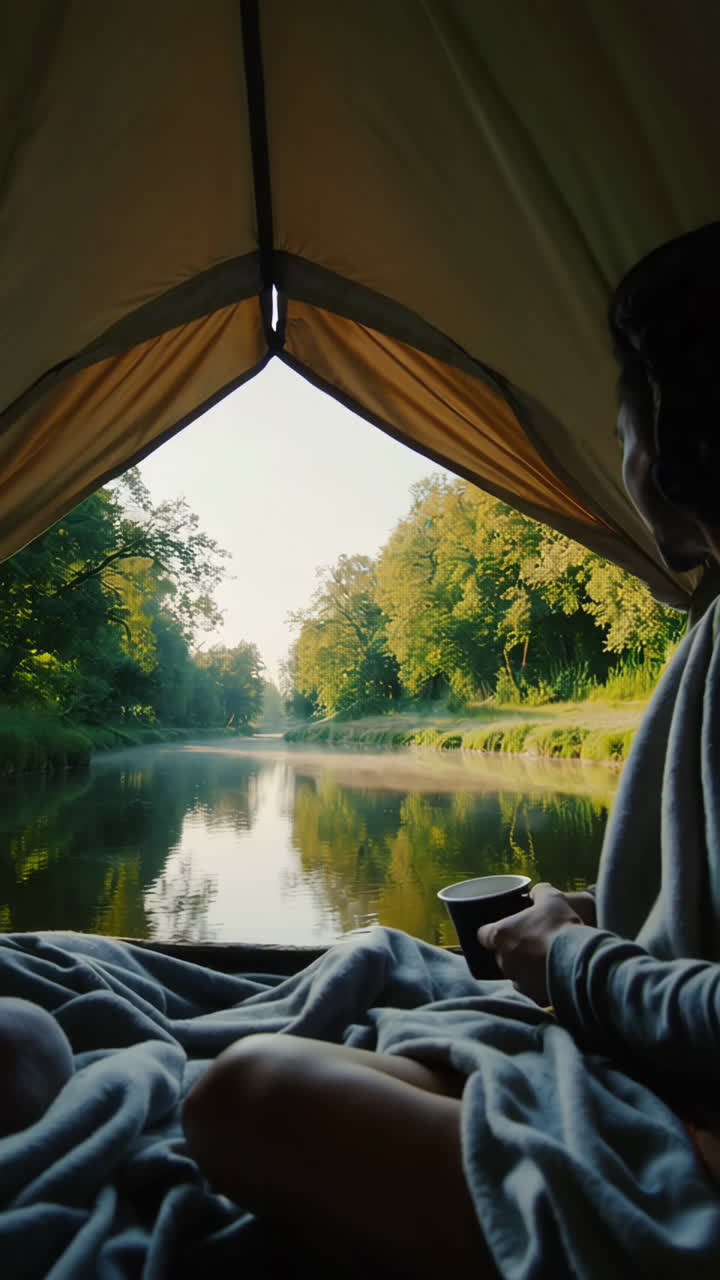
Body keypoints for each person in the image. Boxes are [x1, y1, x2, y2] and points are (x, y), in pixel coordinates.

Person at [182, 226, 720, 1278]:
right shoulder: (712, 627)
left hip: (688, 1145)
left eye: (620, 427)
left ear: (671, 436)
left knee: (245, 1098)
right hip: (654, 1076)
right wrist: (595, 933)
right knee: (366, 1041)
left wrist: (568, 957)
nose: (619, 460)